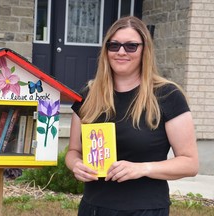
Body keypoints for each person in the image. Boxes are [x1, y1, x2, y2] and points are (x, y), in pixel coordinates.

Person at [65, 16, 199, 216]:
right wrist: (76, 164)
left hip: (145, 209)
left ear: (145, 50)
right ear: (106, 50)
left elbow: (190, 163)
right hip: (93, 208)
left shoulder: (167, 95)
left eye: (131, 46)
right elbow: (74, 151)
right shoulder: (88, 95)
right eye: (114, 45)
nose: (121, 52)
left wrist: (142, 169)